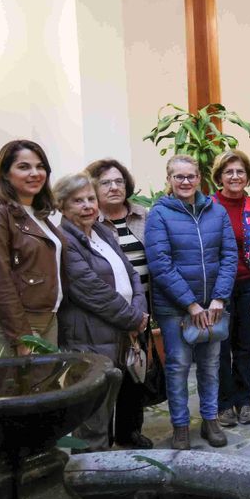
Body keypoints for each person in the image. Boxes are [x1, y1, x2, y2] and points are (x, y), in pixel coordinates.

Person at [145, 155, 238, 450]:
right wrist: (191, 304)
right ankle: (181, 426)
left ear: (200, 178)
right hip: (175, 310)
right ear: (169, 180)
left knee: (210, 366)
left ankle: (210, 420)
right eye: (178, 177)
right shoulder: (158, 214)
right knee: (178, 367)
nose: (185, 182)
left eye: (190, 176)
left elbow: (229, 256)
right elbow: (160, 264)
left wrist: (219, 298)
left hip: (213, 307)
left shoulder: (216, 211)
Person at [55, 173, 148, 452]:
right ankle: (90, 476)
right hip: (89, 336)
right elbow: (91, 290)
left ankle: (104, 466)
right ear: (62, 206)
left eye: (90, 199)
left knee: (109, 404)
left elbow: (131, 273)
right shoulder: (65, 242)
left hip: (119, 331)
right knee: (92, 416)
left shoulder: (102, 232)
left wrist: (139, 310)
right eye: (77, 201)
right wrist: (134, 318)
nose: (87, 206)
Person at [0, 140, 63, 361]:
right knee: (12, 394)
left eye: (40, 167)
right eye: (24, 167)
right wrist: (22, 337)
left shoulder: (36, 215)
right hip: (9, 326)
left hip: (46, 319)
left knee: (47, 392)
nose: (35, 173)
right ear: (5, 173)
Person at [87, 158, 154, 449]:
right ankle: (101, 436)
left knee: (134, 371)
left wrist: (143, 309)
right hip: (106, 312)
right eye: (105, 183)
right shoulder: (89, 222)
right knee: (106, 373)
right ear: (93, 188)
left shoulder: (144, 216)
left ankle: (130, 430)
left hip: (141, 308)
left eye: (119, 181)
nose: (114, 187)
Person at [211, 150, 250, 426]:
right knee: (221, 349)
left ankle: (244, 401)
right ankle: (223, 404)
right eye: (229, 172)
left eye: (240, 172)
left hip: (249, 286)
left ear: (247, 176)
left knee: (245, 347)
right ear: (219, 177)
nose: (235, 177)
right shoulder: (209, 205)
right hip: (219, 290)